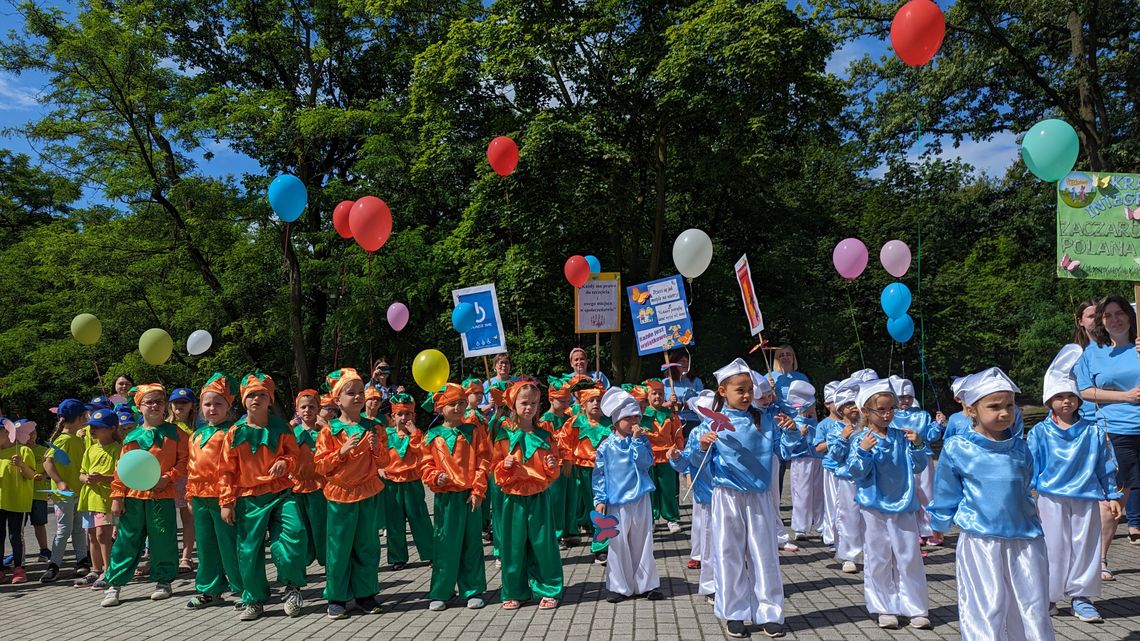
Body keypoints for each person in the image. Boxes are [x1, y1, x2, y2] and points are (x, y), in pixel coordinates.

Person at [928, 367, 1054, 641]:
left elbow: (1025, 481)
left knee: (1031, 604)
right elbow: (947, 490)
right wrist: (939, 524)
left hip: (1025, 538)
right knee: (987, 605)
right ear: (972, 410)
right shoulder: (958, 448)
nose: (1004, 413)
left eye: (1009, 405)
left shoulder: (1020, 448)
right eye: (994, 406)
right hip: (981, 539)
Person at [692, 358, 788, 639]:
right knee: (729, 553)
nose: (747, 396)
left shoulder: (765, 421)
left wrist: (793, 431)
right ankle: (734, 612)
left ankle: (769, 612)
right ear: (723, 392)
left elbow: (786, 449)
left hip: (758, 496)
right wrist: (701, 446)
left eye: (749, 390)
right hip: (727, 496)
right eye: (740, 390)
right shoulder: (710, 424)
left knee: (764, 554)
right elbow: (692, 462)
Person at [1029, 346, 1121, 623]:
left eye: (1071, 396)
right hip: (1051, 498)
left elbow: (1105, 464)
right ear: (1049, 400)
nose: (1066, 401)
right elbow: (1030, 465)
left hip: (1085, 497)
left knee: (1085, 546)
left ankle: (1081, 597)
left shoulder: (1093, 431)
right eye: (1059, 396)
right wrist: (1024, 494)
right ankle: (1048, 595)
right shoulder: (1040, 432)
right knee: (1053, 546)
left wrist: (1111, 494)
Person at [218, 371, 306, 621]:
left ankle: (291, 588)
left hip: (281, 493)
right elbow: (226, 470)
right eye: (251, 395)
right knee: (248, 550)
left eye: (262, 395)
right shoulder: (235, 432)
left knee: (294, 534)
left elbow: (295, 456)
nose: (256, 399)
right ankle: (254, 598)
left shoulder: (282, 427)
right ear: (244, 401)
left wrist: (285, 463)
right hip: (249, 497)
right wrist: (227, 502)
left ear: (270, 400)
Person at [846, 379, 931, 630]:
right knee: (879, 556)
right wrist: (862, 451)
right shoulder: (862, 437)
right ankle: (884, 606)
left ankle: (915, 607)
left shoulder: (902, 437)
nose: (887, 414)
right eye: (881, 410)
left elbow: (918, 466)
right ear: (865, 411)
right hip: (874, 506)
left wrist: (917, 445)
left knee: (909, 556)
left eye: (891, 409)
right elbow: (856, 472)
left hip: (903, 503)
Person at [101, 384, 188, 606]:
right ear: (139, 407)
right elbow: (122, 468)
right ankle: (115, 584)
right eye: (149, 402)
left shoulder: (176, 433)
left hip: (162, 494)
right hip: (134, 497)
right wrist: (118, 497)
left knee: (163, 539)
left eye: (159, 401)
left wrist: (168, 478)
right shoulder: (133, 437)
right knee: (126, 540)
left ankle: (164, 581)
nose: (155, 405)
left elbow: (184, 461)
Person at [1074, 294, 1140, 582]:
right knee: (1113, 501)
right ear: (1101, 322)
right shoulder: (1092, 353)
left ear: (1130, 315)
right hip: (1116, 432)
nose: (1115, 319)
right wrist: (1124, 396)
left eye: (1120, 313)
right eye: (1107, 315)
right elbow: (1085, 391)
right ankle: (1098, 559)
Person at [314, 368, 387, 619]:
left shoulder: (374, 427)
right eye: (350, 393)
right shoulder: (329, 431)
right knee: (339, 547)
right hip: (340, 495)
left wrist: (377, 450)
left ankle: (366, 594)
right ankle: (337, 597)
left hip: (367, 492)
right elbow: (321, 465)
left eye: (360, 392)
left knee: (367, 545)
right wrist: (342, 451)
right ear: (337, 400)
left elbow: (384, 461)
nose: (357, 397)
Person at [492, 380, 564, 610]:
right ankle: (514, 591)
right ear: (513, 404)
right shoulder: (503, 435)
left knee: (544, 545)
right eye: (524, 403)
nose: (529, 408)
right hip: (513, 498)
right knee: (512, 547)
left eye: (533, 403)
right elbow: (494, 468)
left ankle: (549, 588)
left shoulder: (544, 434)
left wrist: (552, 465)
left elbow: (552, 470)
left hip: (538, 497)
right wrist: (504, 464)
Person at [421, 383, 489, 612]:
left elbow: (483, 461)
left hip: (469, 497)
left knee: (471, 544)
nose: (459, 408)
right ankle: (442, 590)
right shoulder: (432, 436)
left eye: (461, 402)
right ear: (440, 407)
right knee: (444, 545)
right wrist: (434, 477)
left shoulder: (473, 431)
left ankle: (473, 589)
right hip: (445, 499)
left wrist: (478, 490)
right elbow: (425, 464)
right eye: (452, 404)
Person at [594, 387, 661, 604]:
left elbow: (646, 464)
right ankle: (619, 586)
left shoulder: (641, 440)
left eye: (636, 416)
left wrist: (639, 442)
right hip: (616, 501)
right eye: (628, 417)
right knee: (618, 543)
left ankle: (646, 584)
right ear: (616, 421)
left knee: (643, 540)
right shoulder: (606, 446)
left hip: (640, 498)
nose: (634, 420)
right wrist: (600, 499)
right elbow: (599, 474)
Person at [185, 373, 244, 610]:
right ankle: (210, 589)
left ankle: (244, 587)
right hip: (201, 499)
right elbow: (191, 468)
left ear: (228, 406)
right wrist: (190, 495)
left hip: (223, 497)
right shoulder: (196, 435)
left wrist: (228, 500)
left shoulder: (233, 432)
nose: (212, 408)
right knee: (206, 546)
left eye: (218, 403)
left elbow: (236, 468)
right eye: (207, 404)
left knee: (230, 545)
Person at [380, 392, 433, 570]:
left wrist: (414, 434)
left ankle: (430, 552)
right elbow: (378, 455)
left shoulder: (417, 435)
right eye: (400, 414)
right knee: (394, 521)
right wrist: (380, 469)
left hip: (412, 482)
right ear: (393, 417)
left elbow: (424, 453)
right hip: (391, 483)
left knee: (420, 518)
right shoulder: (385, 435)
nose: (404, 418)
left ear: (414, 416)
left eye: (408, 414)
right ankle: (397, 557)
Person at [561, 380, 611, 562]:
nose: (596, 403)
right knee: (588, 507)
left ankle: (601, 546)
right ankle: (585, 537)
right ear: (583, 404)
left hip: (606, 471)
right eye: (591, 400)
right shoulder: (576, 422)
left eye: (598, 400)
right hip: (582, 470)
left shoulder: (609, 423)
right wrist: (567, 460)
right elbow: (564, 441)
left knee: (603, 507)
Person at [41, 398, 89, 583]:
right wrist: (59, 481)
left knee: (78, 528)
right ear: (78, 418)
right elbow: (47, 462)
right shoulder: (64, 440)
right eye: (85, 416)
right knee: (64, 529)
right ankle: (54, 566)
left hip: (79, 491)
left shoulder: (77, 438)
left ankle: (82, 561)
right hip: (65, 494)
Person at [75, 409, 121, 588]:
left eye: (97, 427)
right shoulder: (91, 449)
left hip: (108, 500)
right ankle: (95, 570)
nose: (92, 430)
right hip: (90, 499)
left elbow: (120, 476)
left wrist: (102, 478)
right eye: (91, 427)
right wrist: (85, 478)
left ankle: (109, 571)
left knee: (104, 535)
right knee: (92, 535)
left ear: (111, 429)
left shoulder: (118, 449)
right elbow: (81, 473)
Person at [674, 390, 716, 586]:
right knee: (703, 525)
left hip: (727, 490)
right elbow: (690, 459)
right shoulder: (697, 432)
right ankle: (702, 561)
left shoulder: (729, 428)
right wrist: (677, 459)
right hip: (705, 489)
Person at [779, 380, 825, 542]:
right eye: (812, 405)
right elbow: (790, 445)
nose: (814, 407)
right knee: (802, 493)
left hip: (817, 460)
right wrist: (800, 435)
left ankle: (821, 525)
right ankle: (800, 527)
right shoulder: (796, 423)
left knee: (819, 493)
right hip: (802, 461)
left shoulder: (815, 423)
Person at [642, 378, 684, 533]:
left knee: (668, 488)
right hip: (649, 457)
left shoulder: (671, 415)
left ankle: (671, 518)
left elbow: (678, 433)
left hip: (667, 456)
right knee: (651, 489)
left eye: (660, 393)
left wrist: (678, 450)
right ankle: (651, 518)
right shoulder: (642, 415)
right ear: (647, 396)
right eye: (654, 393)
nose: (657, 397)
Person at [291, 389, 326, 569]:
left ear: (318, 408)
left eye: (312, 406)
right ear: (297, 410)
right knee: (300, 527)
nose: (307, 410)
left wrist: (326, 427)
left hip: (319, 484)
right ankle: (303, 562)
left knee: (321, 525)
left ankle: (326, 559)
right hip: (297, 485)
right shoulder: (292, 432)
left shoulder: (324, 432)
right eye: (303, 407)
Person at [0, 417, 37, 584]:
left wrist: (22, 465)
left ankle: (19, 568)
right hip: (1, 502)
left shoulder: (23, 451)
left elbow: (32, 476)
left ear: (8, 432)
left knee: (16, 536)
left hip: (17, 501)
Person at [539, 375, 574, 547]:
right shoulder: (545, 421)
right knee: (556, 500)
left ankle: (568, 530)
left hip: (568, 462)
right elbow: (549, 445)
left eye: (567, 400)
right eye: (561, 400)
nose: (566, 404)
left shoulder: (568, 418)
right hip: (555, 464)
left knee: (569, 498)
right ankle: (556, 534)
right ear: (551, 399)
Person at [168, 387, 197, 574]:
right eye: (177, 402)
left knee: (188, 517)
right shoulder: (163, 426)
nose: (180, 405)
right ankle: (164, 557)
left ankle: (186, 557)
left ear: (192, 405)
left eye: (184, 402)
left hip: (189, 476)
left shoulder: (199, 426)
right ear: (171, 405)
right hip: (168, 477)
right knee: (165, 519)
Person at [816, 381, 842, 550]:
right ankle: (831, 535)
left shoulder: (851, 422)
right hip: (831, 469)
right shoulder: (823, 425)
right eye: (835, 402)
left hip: (848, 469)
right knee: (833, 502)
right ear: (827, 404)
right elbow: (818, 447)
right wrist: (831, 441)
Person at [665, 349, 705, 435]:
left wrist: (684, 406)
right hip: (670, 422)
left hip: (693, 421)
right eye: (682, 361)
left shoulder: (696, 381)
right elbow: (656, 405)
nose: (686, 364)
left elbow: (701, 403)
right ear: (674, 363)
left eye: (687, 361)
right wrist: (669, 403)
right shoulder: (665, 383)